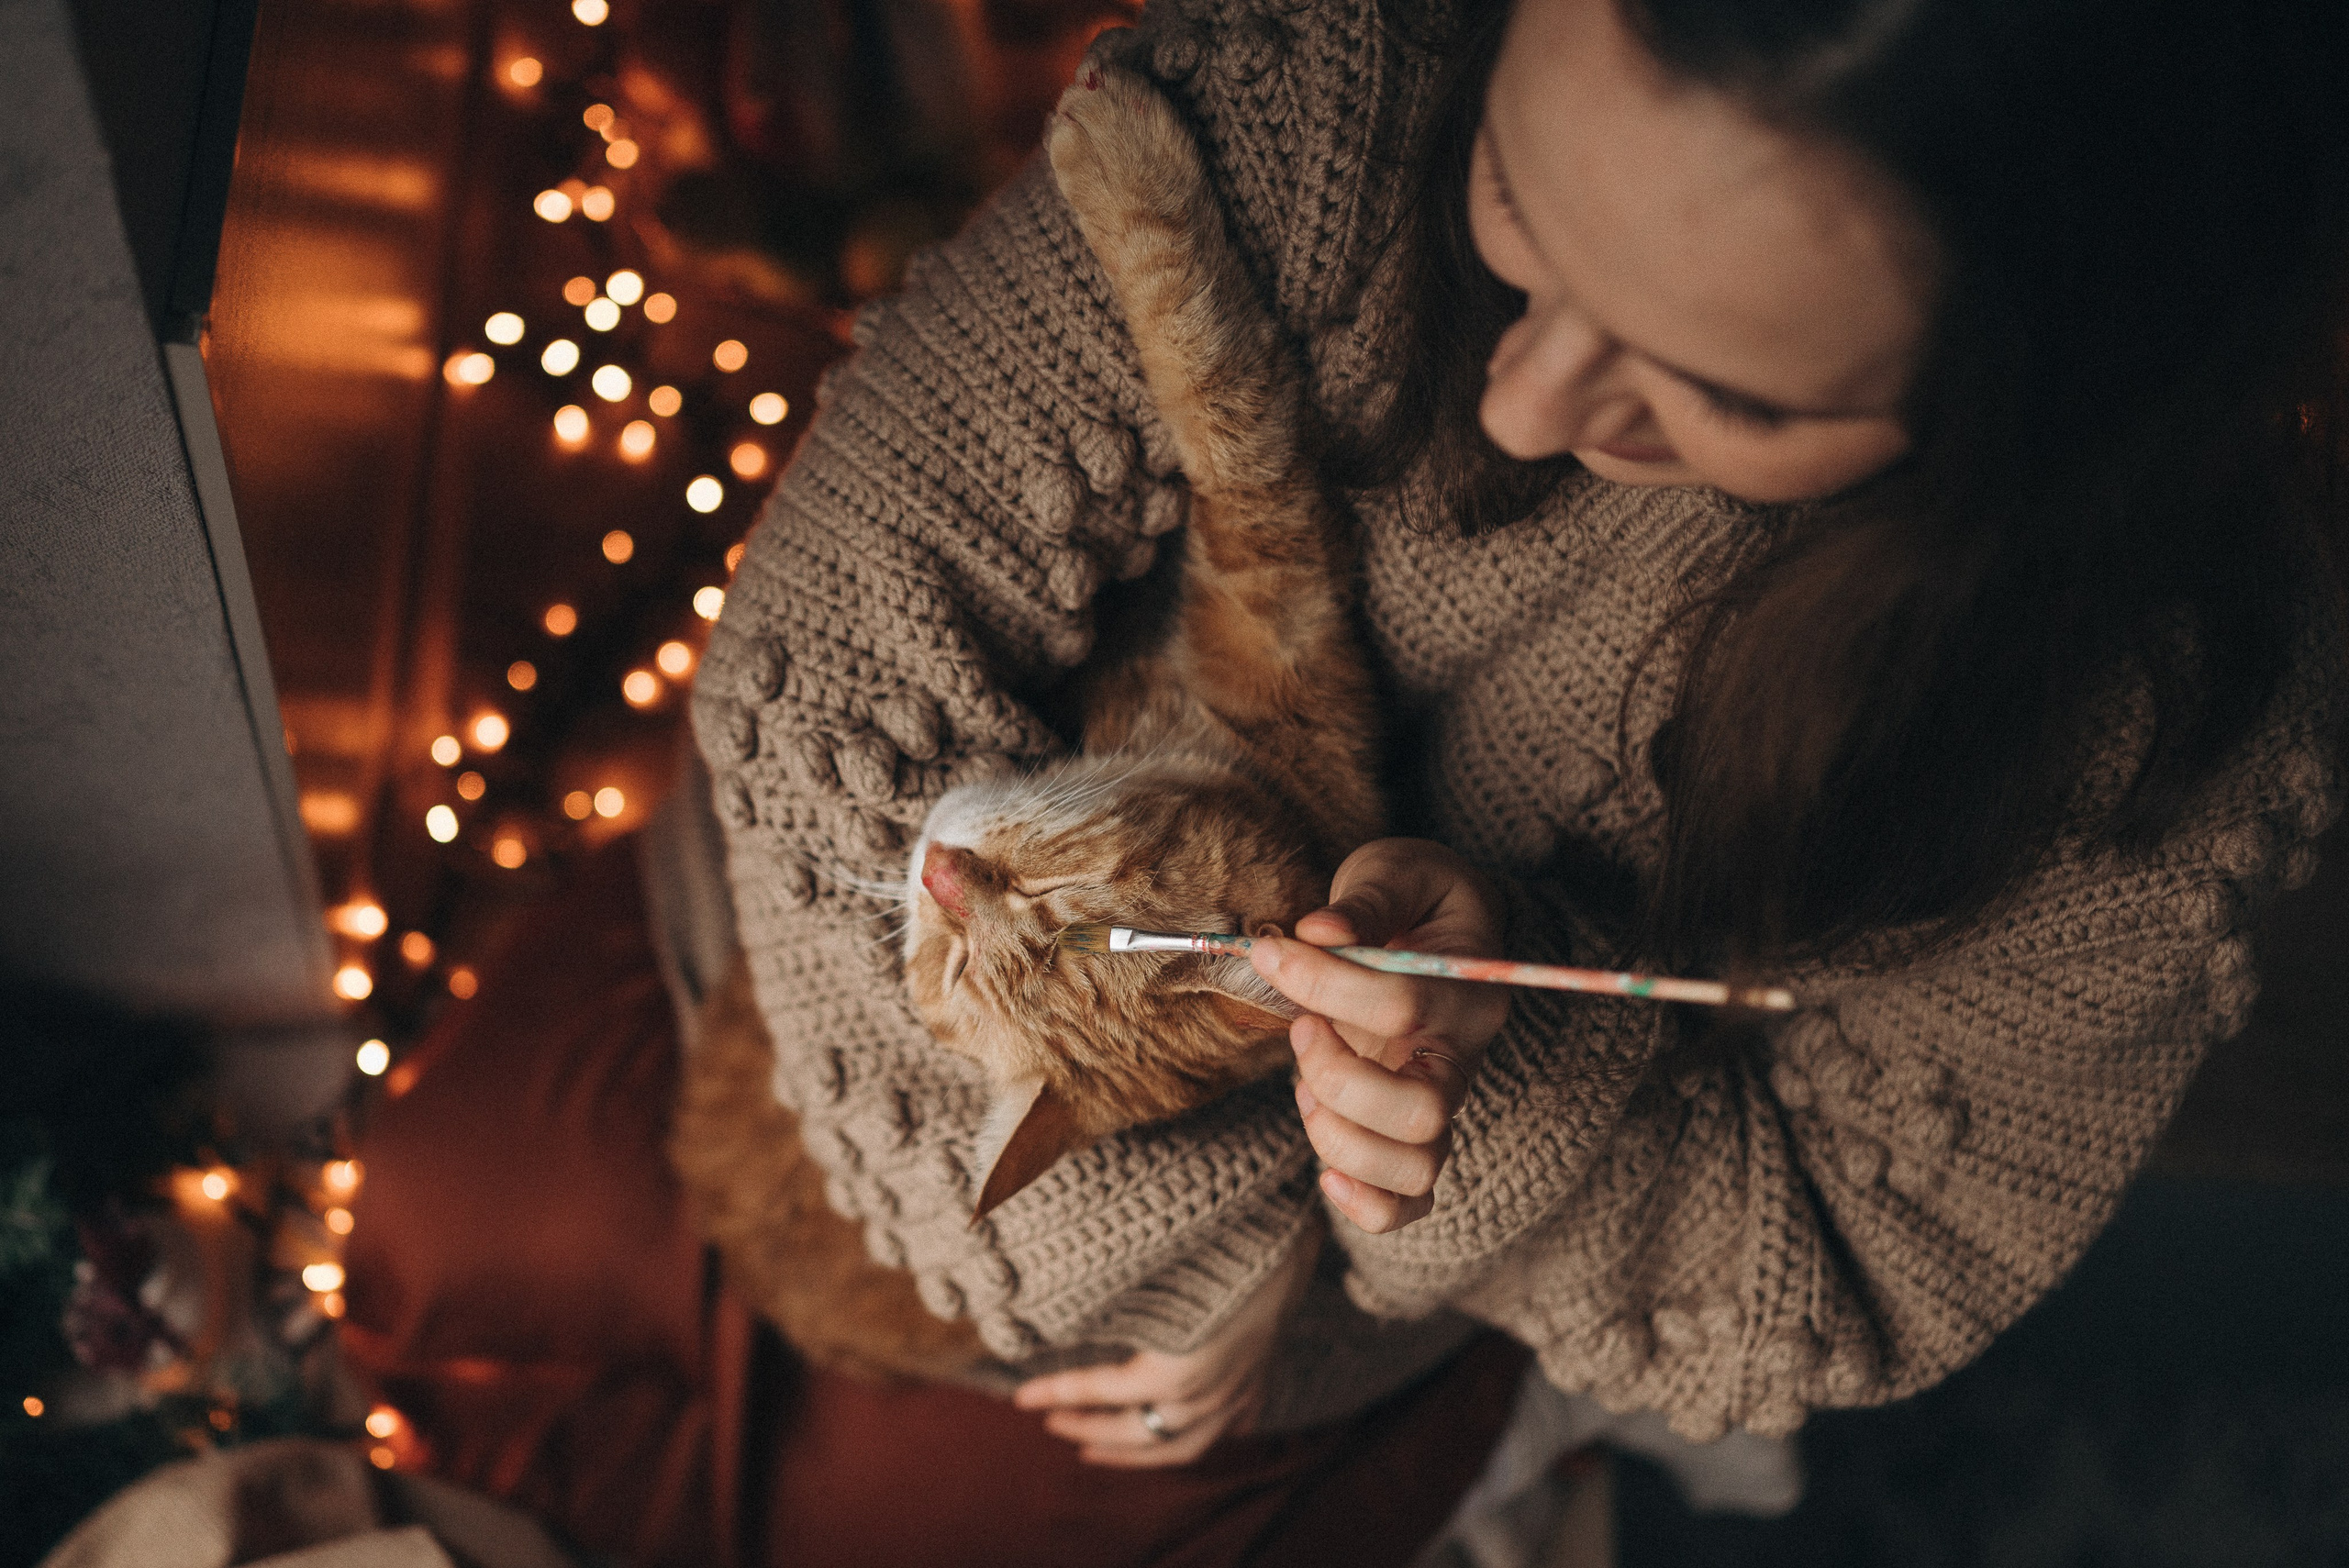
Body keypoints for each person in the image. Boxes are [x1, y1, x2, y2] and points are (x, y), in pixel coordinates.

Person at [691, 0, 2349, 1477]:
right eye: (1510, 203)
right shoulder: (1342, 78)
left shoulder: (2144, 729)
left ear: (2057, 413)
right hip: (856, 962)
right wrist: (1216, 1250)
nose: (1521, 408)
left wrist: (1485, 1072)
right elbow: (816, 656)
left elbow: (1825, 1284)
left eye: (1727, 395)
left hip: (1362, 1305)